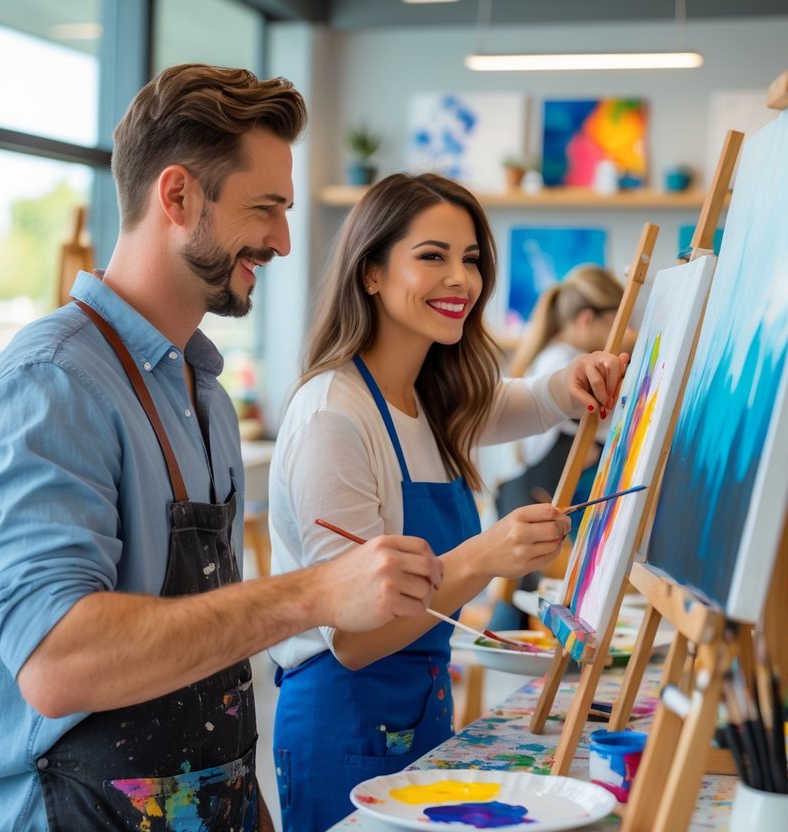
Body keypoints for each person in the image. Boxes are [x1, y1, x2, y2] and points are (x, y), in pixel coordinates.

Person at [0, 64, 444, 832]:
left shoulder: (203, 389)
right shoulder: (52, 383)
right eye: (265, 209)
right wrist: (312, 594)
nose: (282, 240)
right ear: (178, 196)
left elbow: (206, 645)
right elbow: (58, 663)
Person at [268, 173, 627, 830]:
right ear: (371, 272)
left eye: (470, 259)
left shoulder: (433, 397)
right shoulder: (333, 418)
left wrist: (570, 378)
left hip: (423, 704)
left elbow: (528, 398)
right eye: (432, 256)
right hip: (345, 718)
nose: (460, 279)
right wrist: (486, 556)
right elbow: (353, 636)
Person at [488, 266, 626, 630]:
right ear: (586, 319)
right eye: (618, 322)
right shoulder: (566, 368)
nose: (625, 333)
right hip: (543, 542)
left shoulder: (552, 358)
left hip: (536, 532)